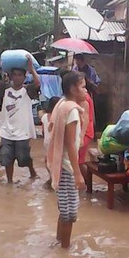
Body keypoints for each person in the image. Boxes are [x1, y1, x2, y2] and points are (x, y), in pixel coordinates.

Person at [46, 71, 87, 248]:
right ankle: (65, 250)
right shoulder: (71, 111)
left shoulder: (63, 104)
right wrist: (78, 174)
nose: (86, 91)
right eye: (83, 87)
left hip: (61, 166)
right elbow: (70, 145)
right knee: (69, 213)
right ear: (73, 88)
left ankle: (58, 241)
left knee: (64, 209)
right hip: (66, 168)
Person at [0, 55, 40, 184]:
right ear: (11, 76)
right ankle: (10, 181)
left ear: (24, 77)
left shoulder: (28, 90)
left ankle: (32, 172)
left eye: (20, 75)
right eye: (14, 74)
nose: (17, 77)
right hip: (6, 131)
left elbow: (37, 83)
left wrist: (31, 69)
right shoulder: (5, 89)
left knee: (23, 158)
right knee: (6, 157)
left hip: (23, 132)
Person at [41, 96, 62, 189]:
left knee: (47, 161)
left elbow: (42, 131)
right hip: (55, 143)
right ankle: (57, 180)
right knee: (57, 161)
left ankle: (51, 178)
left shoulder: (44, 117)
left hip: (47, 142)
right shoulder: (58, 117)